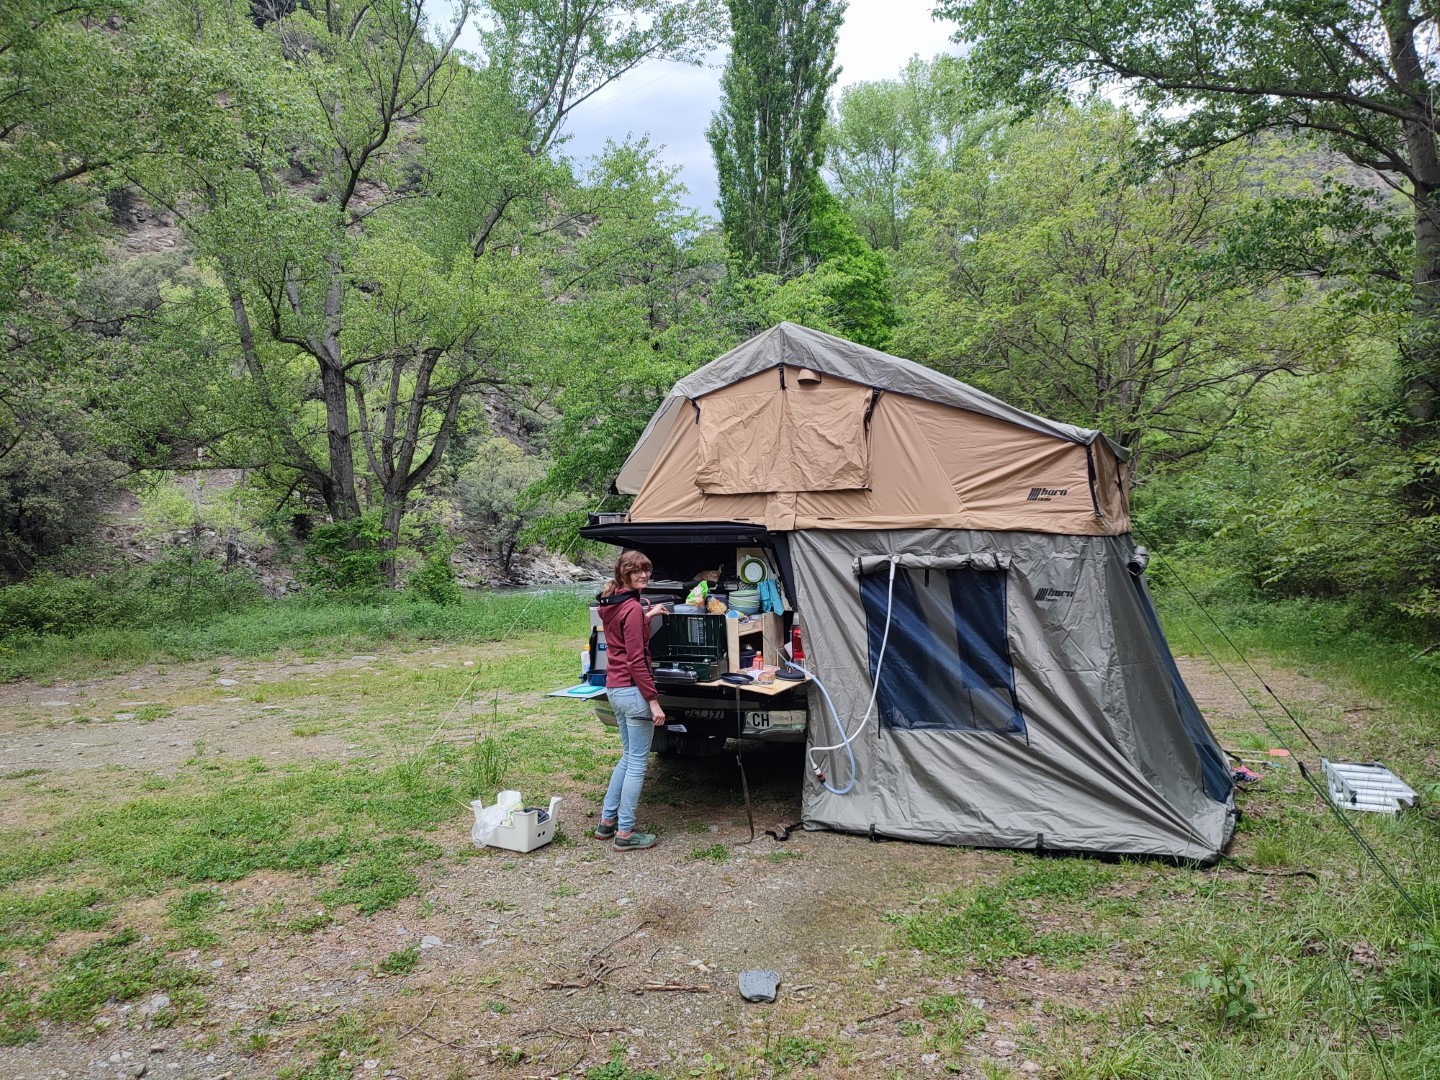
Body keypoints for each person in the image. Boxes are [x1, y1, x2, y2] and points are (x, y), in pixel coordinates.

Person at [593, 550, 669, 850]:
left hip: (615, 688)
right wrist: (652, 702)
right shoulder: (631, 609)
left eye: (647, 571)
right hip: (633, 691)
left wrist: (647, 616)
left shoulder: (613, 603)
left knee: (627, 757)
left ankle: (606, 822)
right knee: (638, 763)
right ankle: (625, 833)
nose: (644, 576)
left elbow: (623, 640)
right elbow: (637, 660)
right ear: (624, 573)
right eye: (637, 571)